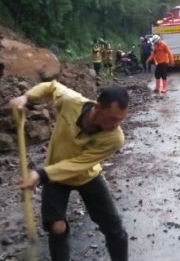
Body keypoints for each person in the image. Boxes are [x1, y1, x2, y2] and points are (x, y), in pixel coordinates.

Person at [10, 82, 129, 261]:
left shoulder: (115, 138)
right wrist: (26, 97)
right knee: (57, 227)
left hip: (86, 176)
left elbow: (78, 164)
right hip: (56, 176)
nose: (116, 125)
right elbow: (51, 86)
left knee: (114, 228)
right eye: (113, 118)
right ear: (97, 108)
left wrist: (41, 174)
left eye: (121, 119)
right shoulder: (71, 102)